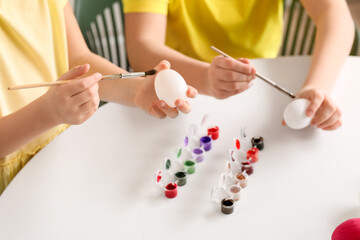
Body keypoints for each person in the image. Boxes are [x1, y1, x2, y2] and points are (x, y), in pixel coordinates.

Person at [0, 0, 197, 194]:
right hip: (10, 184)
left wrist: (136, 90)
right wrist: (46, 114)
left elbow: (78, 61)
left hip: (58, 153)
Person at [123, 0, 355, 131]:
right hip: (181, 93)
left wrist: (317, 86)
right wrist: (206, 79)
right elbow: (141, 47)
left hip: (262, 92)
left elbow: (335, 16)